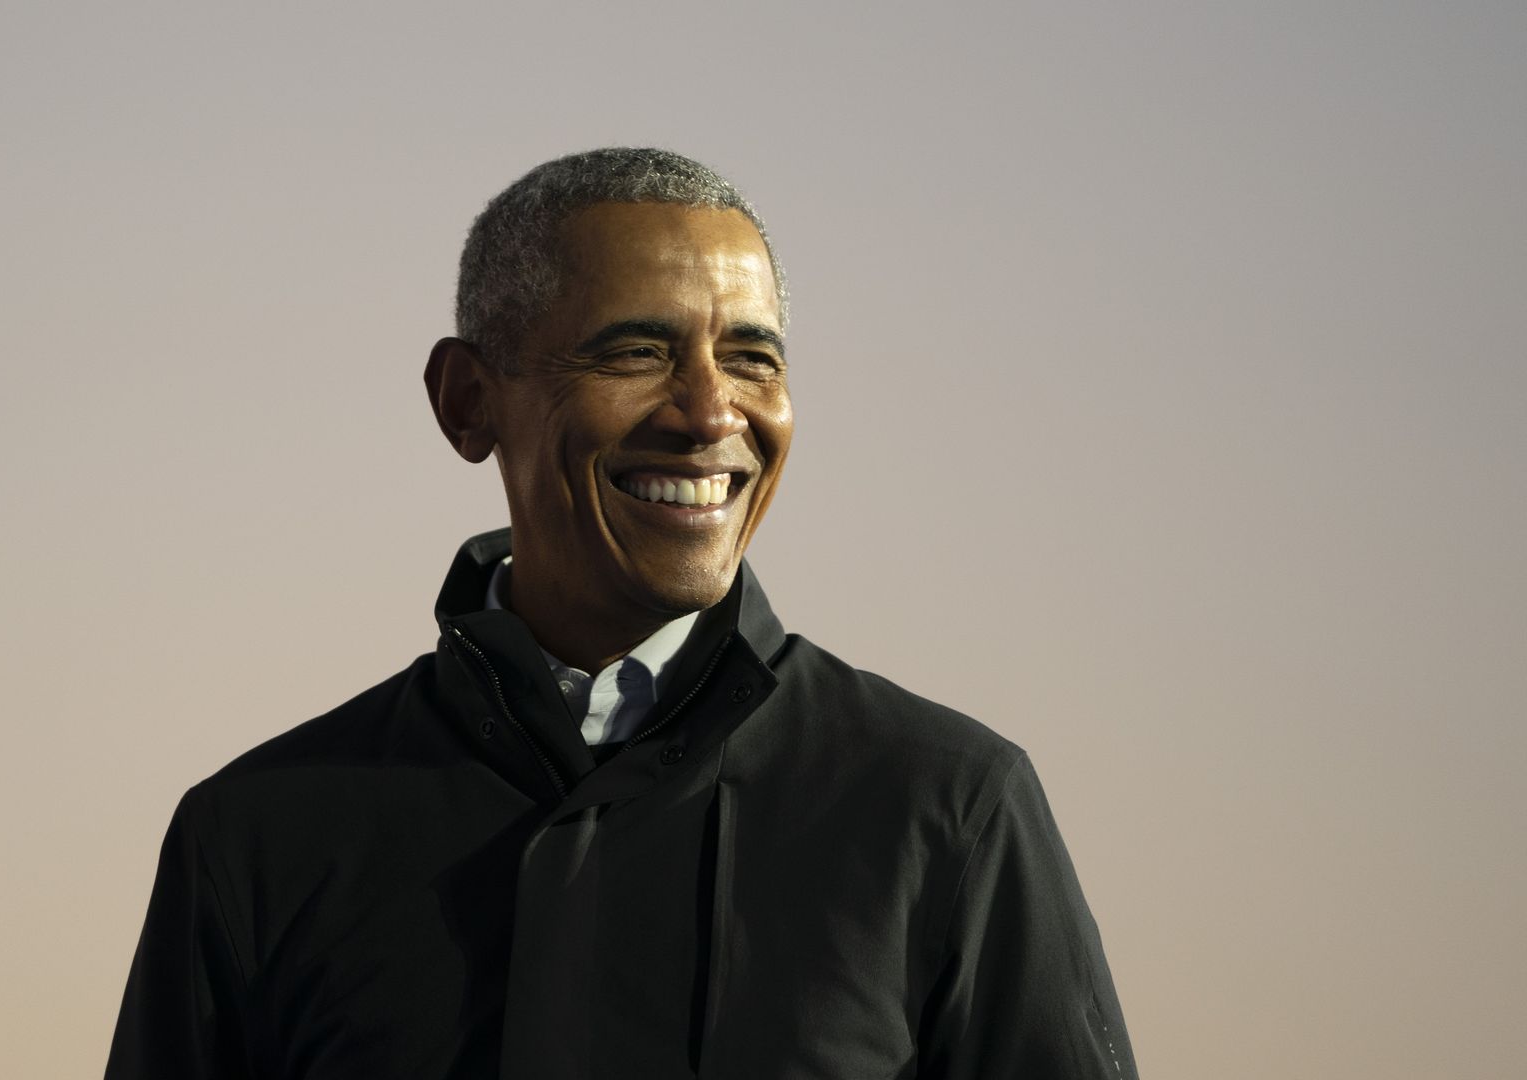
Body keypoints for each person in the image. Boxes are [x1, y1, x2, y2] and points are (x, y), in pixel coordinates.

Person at [105, 148, 1139, 1079]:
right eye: (636, 353)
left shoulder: (947, 808)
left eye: (752, 356)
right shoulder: (255, 837)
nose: (709, 413)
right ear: (469, 402)